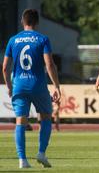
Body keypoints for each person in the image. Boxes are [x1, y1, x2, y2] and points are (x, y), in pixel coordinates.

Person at [2, 9, 61, 168]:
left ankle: (22, 160)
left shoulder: (13, 40)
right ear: (37, 22)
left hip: (19, 85)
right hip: (38, 84)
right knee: (46, 117)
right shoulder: (42, 39)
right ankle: (41, 153)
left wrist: (9, 86)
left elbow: (5, 67)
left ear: (23, 21)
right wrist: (56, 86)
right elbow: (49, 64)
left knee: (20, 121)